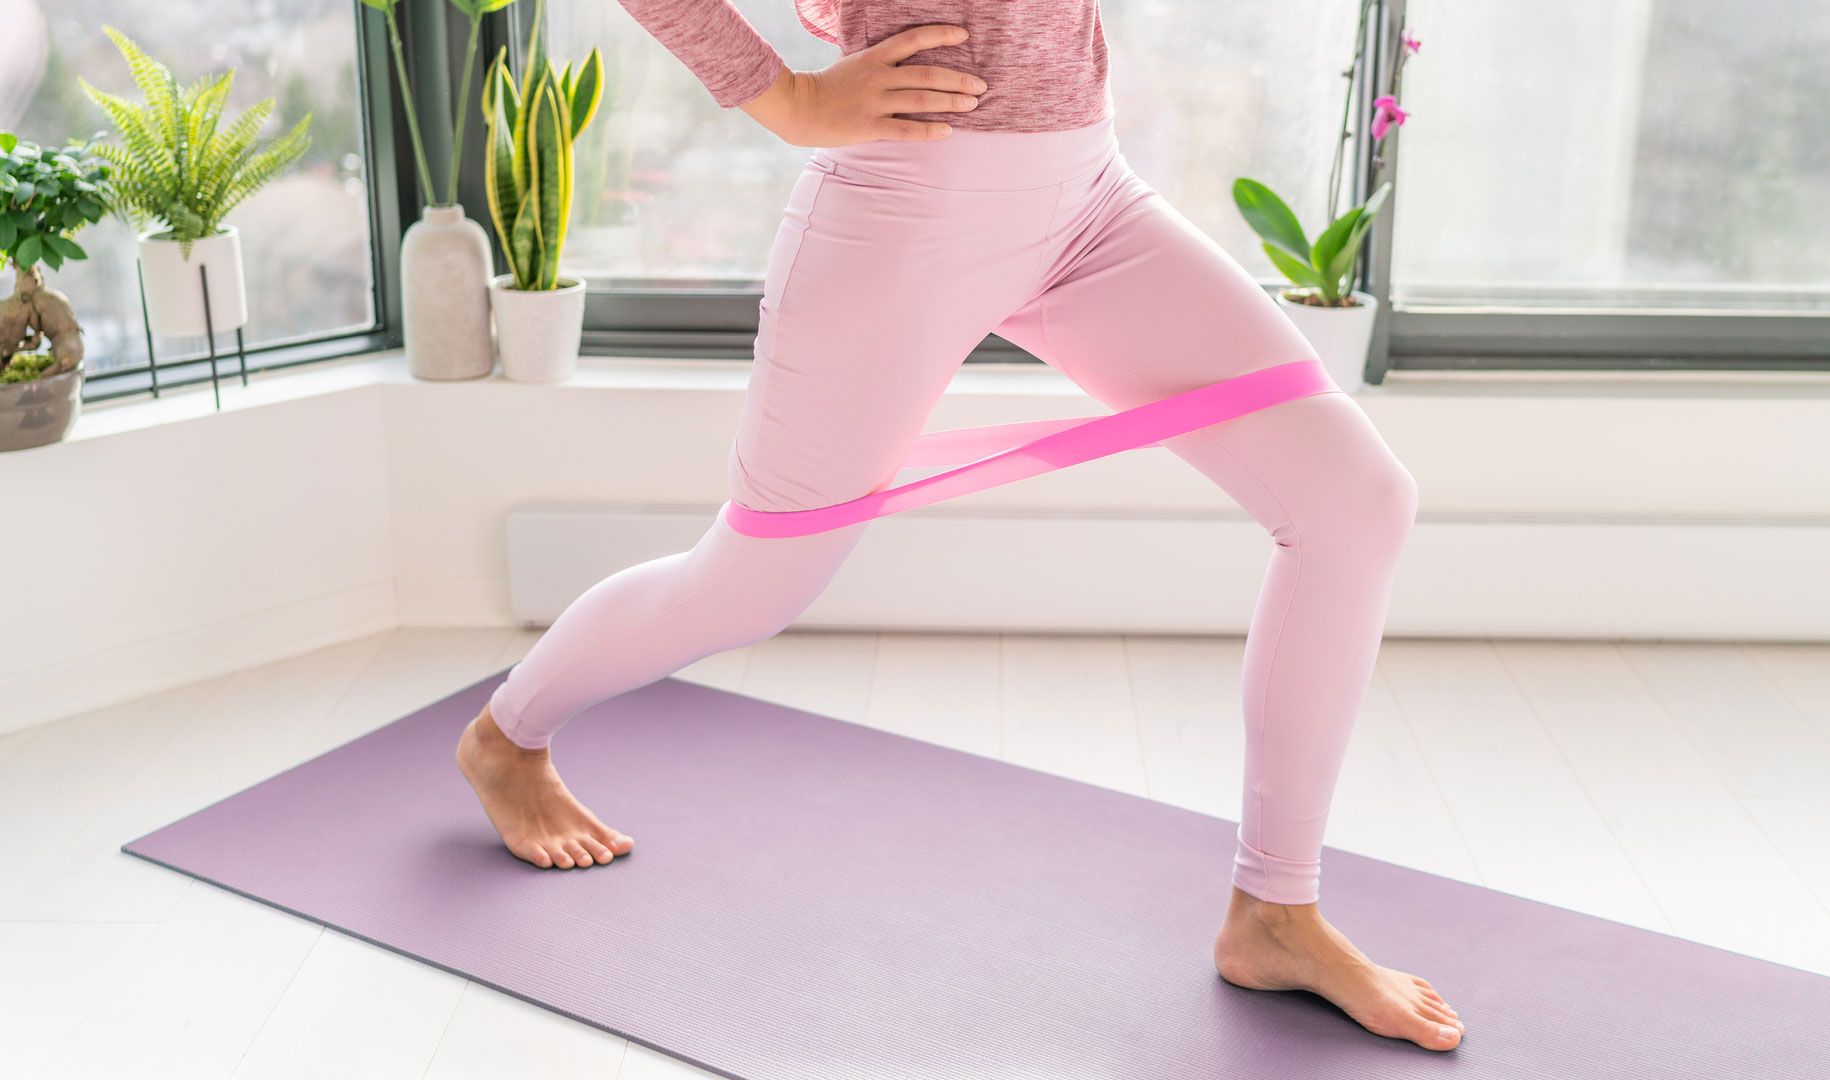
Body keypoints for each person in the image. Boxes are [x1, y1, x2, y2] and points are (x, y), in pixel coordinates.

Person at [454, 0, 1462, 1052]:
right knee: (751, 585)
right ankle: (507, 737)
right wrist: (784, 96)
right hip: (905, 196)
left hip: (1089, 195)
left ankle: (1275, 911)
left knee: (1355, 500)